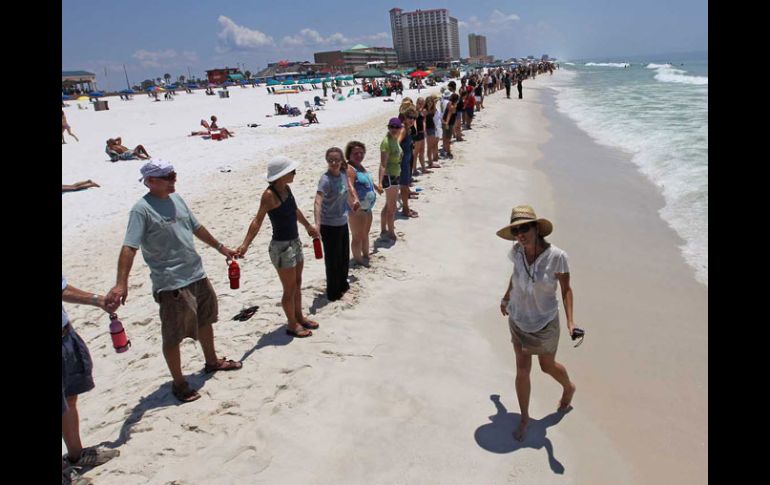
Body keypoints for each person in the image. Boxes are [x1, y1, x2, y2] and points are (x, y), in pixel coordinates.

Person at [107, 160, 243, 404]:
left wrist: (221, 248)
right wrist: (121, 284)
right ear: (150, 181)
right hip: (171, 282)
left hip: (197, 273)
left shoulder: (177, 199)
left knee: (206, 319)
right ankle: (179, 382)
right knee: (173, 335)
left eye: (174, 174)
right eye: (168, 176)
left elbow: (196, 227)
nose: (173, 179)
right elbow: (129, 247)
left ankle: (212, 361)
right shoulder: (141, 209)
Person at [496, 205, 578, 442]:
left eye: (524, 228)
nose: (520, 234)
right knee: (522, 370)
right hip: (519, 318)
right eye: (516, 230)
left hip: (544, 322)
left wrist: (571, 322)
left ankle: (569, 388)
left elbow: (566, 290)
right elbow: (516, 275)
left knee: (547, 366)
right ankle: (524, 417)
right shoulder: (518, 252)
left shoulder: (557, 257)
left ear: (536, 228)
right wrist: (506, 297)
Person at [236, 156, 321, 337]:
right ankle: (291, 324)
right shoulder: (269, 195)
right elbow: (257, 221)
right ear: (281, 175)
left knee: (297, 283)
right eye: (291, 171)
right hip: (281, 247)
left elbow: (294, 210)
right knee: (289, 289)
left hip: (295, 241)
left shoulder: (287, 189)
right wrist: (245, 245)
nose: (294, 173)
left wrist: (307, 226)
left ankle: (299, 316)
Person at [62, 277, 121, 485]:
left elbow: (62, 288)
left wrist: (97, 300)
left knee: (69, 399)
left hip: (64, 336)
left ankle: (75, 455)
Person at [314, 147, 359, 301]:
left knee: (343, 256)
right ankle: (333, 292)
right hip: (328, 225)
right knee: (332, 259)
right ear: (327, 161)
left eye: (336, 160)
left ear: (341, 161)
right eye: (330, 160)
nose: (333, 163)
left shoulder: (343, 175)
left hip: (342, 221)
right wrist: (317, 225)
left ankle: (342, 285)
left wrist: (352, 204)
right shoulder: (325, 180)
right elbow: (318, 202)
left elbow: (345, 193)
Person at [345, 141, 377, 266]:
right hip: (357, 208)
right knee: (357, 236)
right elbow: (349, 185)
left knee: (365, 234)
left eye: (361, 153)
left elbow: (366, 181)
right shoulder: (350, 169)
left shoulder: (360, 167)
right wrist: (355, 200)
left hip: (367, 208)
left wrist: (377, 188)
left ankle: (366, 255)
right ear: (349, 155)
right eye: (355, 153)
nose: (359, 155)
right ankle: (358, 261)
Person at [378, 117, 403, 240]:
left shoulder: (395, 139)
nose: (394, 129)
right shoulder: (386, 142)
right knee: (392, 207)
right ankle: (391, 232)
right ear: (388, 127)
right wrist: (379, 183)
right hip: (389, 176)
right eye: (392, 127)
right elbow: (383, 164)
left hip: (395, 175)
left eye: (396, 127)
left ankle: (384, 228)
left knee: (388, 204)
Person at [398, 108, 419, 218]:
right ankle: (405, 210)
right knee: (404, 186)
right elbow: (397, 144)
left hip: (406, 162)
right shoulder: (403, 129)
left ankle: (406, 207)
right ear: (405, 118)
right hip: (402, 164)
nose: (412, 120)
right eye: (410, 117)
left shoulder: (408, 129)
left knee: (405, 186)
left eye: (414, 118)